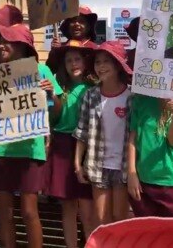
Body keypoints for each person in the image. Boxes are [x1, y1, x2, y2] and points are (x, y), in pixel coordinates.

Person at [0, 23, 63, 248]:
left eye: (8, 41)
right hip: (1, 148)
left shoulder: (42, 71)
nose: (1, 46)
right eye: (1, 42)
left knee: (29, 212)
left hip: (31, 150)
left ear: (22, 46)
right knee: (5, 212)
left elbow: (56, 113)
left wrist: (51, 95)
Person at [44, 41, 97, 247]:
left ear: (85, 61)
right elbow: (54, 118)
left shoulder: (94, 87)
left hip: (85, 146)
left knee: (86, 206)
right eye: (68, 60)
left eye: (77, 59)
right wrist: (51, 96)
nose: (73, 63)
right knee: (67, 205)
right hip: (62, 145)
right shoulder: (60, 88)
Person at [74, 41, 131, 225]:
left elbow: (135, 134)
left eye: (107, 61)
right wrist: (77, 162)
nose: (101, 66)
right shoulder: (91, 95)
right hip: (97, 164)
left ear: (118, 64)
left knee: (119, 219)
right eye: (98, 62)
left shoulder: (131, 96)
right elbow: (82, 131)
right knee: (101, 219)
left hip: (122, 167)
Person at [127, 93, 173, 217]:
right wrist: (131, 174)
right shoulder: (141, 100)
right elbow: (132, 139)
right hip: (143, 181)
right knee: (145, 231)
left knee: (168, 232)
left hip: (171, 180)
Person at [46, 6, 99, 73]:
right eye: (73, 21)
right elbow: (50, 71)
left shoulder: (95, 49)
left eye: (81, 21)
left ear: (88, 27)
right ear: (68, 26)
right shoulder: (60, 48)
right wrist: (54, 52)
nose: (76, 24)